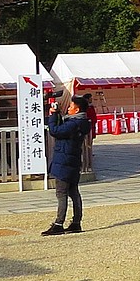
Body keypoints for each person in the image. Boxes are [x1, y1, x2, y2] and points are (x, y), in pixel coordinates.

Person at [42, 93, 94, 232]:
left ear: (77, 110)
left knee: (61, 193)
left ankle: (59, 224)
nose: (69, 108)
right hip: (73, 159)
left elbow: (55, 131)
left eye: (71, 106)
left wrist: (53, 116)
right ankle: (76, 222)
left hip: (64, 161)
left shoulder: (72, 124)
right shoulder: (82, 123)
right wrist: (57, 114)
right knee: (74, 192)